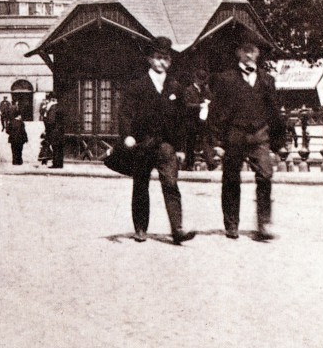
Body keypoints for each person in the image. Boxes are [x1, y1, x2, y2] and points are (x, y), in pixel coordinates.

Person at [209, 31, 287, 242]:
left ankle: (263, 224)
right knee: (232, 178)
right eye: (245, 50)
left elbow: (274, 113)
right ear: (238, 53)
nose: (249, 55)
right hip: (234, 135)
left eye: (253, 51)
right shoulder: (226, 79)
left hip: (260, 135)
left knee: (265, 175)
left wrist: (279, 143)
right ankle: (232, 224)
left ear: (258, 53)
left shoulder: (267, 80)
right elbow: (215, 112)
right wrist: (216, 142)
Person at [118, 36, 195, 245]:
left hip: (166, 145)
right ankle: (141, 228)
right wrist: (128, 135)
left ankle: (177, 229)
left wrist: (181, 148)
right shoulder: (137, 86)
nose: (162, 63)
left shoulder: (175, 88)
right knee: (141, 184)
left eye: (166, 59)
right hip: (143, 144)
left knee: (171, 183)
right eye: (159, 58)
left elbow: (181, 120)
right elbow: (125, 113)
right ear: (150, 59)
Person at [181, 69, 212, 170]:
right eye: (200, 80)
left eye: (203, 80)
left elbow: (210, 99)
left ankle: (211, 163)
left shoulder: (205, 90)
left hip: (202, 120)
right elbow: (186, 105)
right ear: (195, 79)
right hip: (191, 120)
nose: (202, 82)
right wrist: (200, 106)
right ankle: (188, 164)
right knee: (190, 142)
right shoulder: (188, 90)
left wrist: (208, 102)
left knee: (204, 140)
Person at [43, 94, 65, 169]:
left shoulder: (53, 108)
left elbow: (51, 121)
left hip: (54, 131)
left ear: (52, 100)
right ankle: (60, 164)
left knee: (55, 147)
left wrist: (45, 119)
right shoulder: (61, 107)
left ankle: (56, 164)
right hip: (60, 130)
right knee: (60, 148)